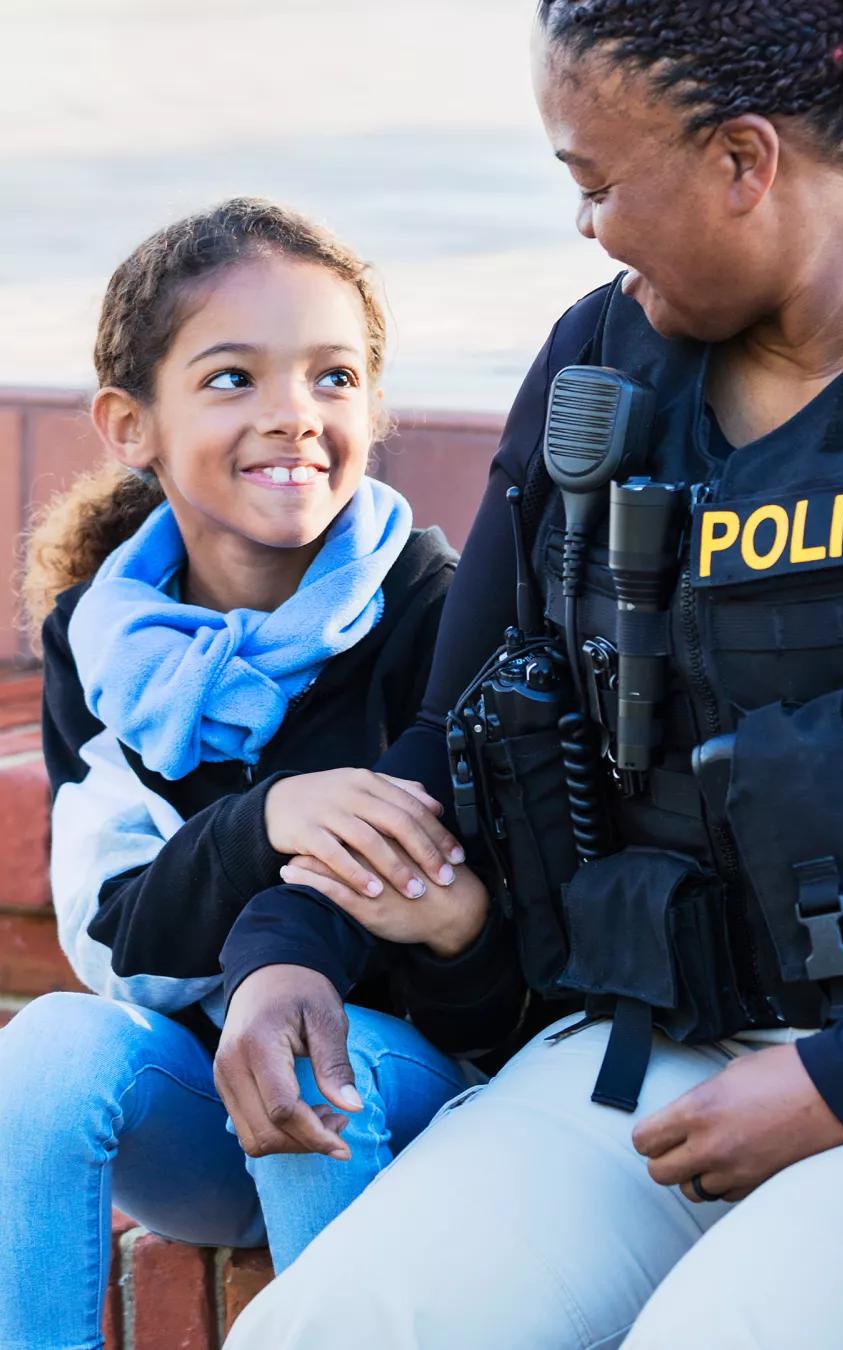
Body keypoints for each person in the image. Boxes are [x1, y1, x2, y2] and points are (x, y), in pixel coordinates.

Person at [223, 3, 843, 1347]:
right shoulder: (601, 360)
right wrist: (288, 952)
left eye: (595, 187)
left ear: (743, 163)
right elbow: (458, 741)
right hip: (655, 1047)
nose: (587, 233)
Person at [0, 196, 493, 1350]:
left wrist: (267, 916)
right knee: (43, 1053)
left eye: (332, 377)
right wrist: (270, 818)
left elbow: (461, 925)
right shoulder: (105, 645)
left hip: (417, 1107)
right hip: (206, 1118)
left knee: (317, 1053)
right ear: (132, 424)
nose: (293, 417)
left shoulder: (440, 608)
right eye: (232, 379)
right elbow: (116, 938)